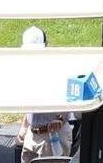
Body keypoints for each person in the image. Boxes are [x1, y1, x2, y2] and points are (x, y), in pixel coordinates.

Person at [17, 27, 73, 163]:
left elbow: (71, 98)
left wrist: (60, 118)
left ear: (46, 46)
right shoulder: (27, 71)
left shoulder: (58, 69)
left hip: (53, 137)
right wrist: (24, 128)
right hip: (32, 134)